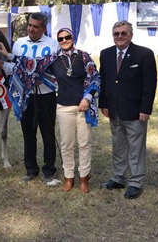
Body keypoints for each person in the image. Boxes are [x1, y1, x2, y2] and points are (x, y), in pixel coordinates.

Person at [99, 20, 157, 199]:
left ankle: (136, 181)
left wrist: (145, 108)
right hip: (114, 109)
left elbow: (149, 84)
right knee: (118, 145)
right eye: (116, 33)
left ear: (131, 34)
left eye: (124, 33)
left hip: (135, 111)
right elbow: (104, 80)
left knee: (136, 148)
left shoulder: (144, 54)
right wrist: (104, 104)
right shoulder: (106, 54)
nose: (120, 36)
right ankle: (118, 177)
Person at [6, 12, 61, 186]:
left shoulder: (53, 44)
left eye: (35, 26)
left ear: (43, 28)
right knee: (28, 133)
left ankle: (49, 170)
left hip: (46, 96)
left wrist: (40, 74)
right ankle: (31, 169)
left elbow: (56, 70)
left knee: (47, 133)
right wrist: (3, 65)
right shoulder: (19, 43)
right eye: (29, 25)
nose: (31, 29)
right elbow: (13, 68)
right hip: (26, 96)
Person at [50, 27, 100, 193]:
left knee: (85, 143)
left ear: (73, 37)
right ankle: (68, 176)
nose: (64, 40)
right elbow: (32, 67)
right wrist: (8, 57)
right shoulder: (53, 59)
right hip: (63, 107)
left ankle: (84, 177)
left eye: (67, 37)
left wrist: (88, 98)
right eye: (60, 38)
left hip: (82, 107)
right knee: (66, 144)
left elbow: (95, 78)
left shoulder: (84, 56)